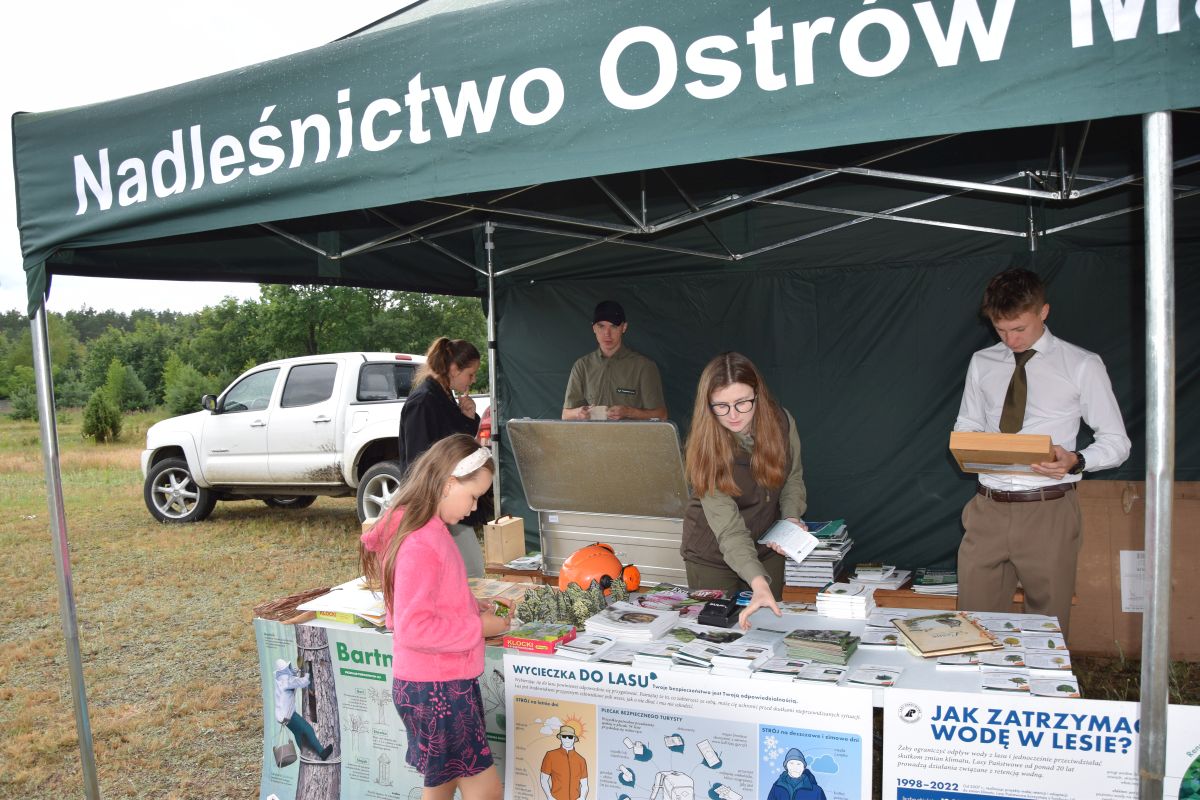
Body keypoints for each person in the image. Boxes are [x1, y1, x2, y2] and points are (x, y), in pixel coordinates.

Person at [954, 268, 1129, 641]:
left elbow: (1117, 441)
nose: (1010, 339)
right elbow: (967, 423)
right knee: (972, 627)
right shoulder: (982, 362)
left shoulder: (1081, 364)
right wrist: (969, 445)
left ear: (1044, 311)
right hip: (987, 508)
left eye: (1019, 328)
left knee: (1046, 628)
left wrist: (1076, 460)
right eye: (1000, 330)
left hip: (1048, 508)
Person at [370, 434, 510, 800]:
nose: (474, 508)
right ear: (448, 484)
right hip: (438, 690)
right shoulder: (421, 542)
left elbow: (429, 600)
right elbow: (413, 627)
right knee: (485, 791)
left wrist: (470, 606)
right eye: (473, 496)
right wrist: (478, 627)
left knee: (443, 782)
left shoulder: (427, 531)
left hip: (436, 685)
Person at [680, 352, 807, 630]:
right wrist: (758, 583)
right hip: (712, 555)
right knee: (717, 634)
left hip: (766, 547)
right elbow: (729, 531)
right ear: (708, 405)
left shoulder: (783, 422)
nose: (733, 415)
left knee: (766, 630)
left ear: (757, 395)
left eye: (742, 402)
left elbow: (792, 477)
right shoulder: (705, 448)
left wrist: (791, 518)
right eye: (721, 406)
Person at [400, 337, 491, 577]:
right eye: (470, 374)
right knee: (469, 572)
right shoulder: (423, 401)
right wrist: (433, 507)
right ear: (453, 369)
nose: (473, 380)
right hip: (435, 503)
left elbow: (455, 444)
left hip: (449, 498)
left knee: (470, 571)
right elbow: (417, 463)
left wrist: (468, 418)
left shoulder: (444, 396)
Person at [562, 300, 667, 421]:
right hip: (592, 433)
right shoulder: (582, 366)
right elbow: (565, 415)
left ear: (624, 327)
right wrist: (578, 413)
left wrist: (628, 412)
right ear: (594, 328)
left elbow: (661, 416)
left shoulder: (644, 366)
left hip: (630, 434)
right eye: (601, 326)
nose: (607, 333)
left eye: (614, 326)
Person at [272, 659, 334, 762]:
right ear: (285, 670)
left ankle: (304, 754)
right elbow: (304, 682)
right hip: (288, 715)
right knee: (307, 729)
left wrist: (296, 672)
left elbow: (292, 679)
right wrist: (308, 673)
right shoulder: (287, 680)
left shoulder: (279, 680)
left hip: (281, 716)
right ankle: (321, 752)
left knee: (297, 733)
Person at [539, 724, 589, 800]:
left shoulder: (581, 760)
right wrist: (549, 797)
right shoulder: (550, 755)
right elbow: (543, 780)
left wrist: (582, 798)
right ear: (561, 738)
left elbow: (585, 785)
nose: (567, 739)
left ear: (574, 739)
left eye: (570, 737)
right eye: (564, 736)